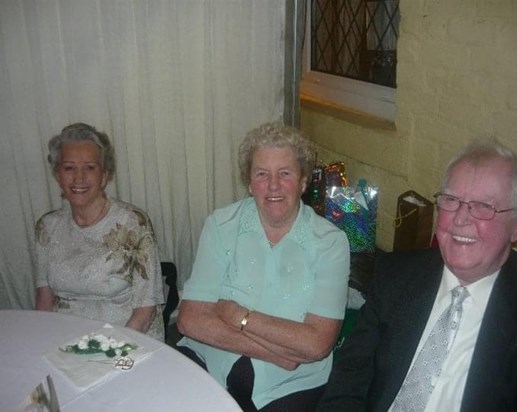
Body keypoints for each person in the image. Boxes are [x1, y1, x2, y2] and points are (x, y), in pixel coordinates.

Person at [317, 139, 517, 411]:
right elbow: (348, 380)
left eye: (484, 206)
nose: (461, 219)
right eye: (451, 200)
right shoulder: (396, 275)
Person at [177, 122, 350, 411]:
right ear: (248, 182)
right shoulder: (221, 225)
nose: (273, 186)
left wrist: (237, 315)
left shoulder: (331, 243)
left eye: (285, 173)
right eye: (261, 174)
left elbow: (317, 343)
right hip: (211, 364)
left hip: (290, 385)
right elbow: (189, 320)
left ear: (304, 181)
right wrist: (276, 352)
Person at [34, 123, 165, 341]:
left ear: (104, 176)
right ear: (58, 175)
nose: (78, 178)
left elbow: (145, 311)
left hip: (127, 339)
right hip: (67, 340)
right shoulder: (47, 227)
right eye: (69, 168)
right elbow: (43, 299)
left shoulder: (133, 223)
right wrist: (43, 345)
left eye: (89, 167)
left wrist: (107, 354)